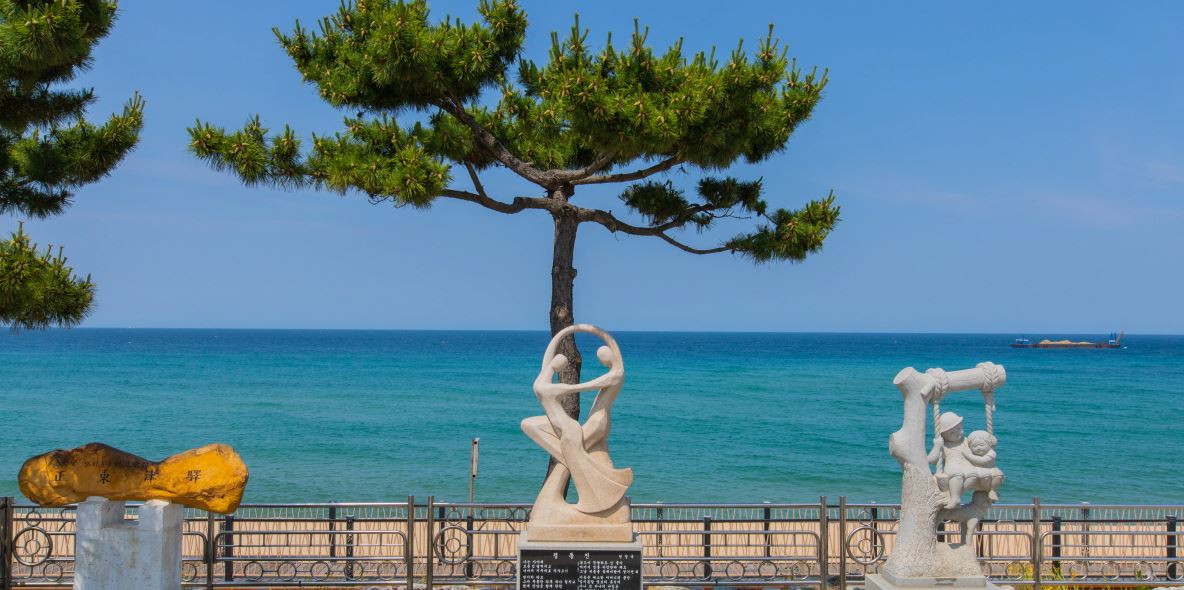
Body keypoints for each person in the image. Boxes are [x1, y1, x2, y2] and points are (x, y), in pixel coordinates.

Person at [928, 412, 1003, 509]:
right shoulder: (944, 446)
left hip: (968, 468)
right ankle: (955, 497)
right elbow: (932, 460)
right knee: (957, 475)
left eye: (959, 429)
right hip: (953, 468)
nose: (957, 433)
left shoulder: (967, 441)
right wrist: (937, 446)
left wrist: (990, 441)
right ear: (943, 435)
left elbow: (980, 447)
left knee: (975, 475)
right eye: (951, 433)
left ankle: (990, 491)